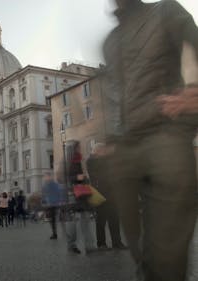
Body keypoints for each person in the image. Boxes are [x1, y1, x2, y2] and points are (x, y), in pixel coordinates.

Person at [103, 0, 198, 279]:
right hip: (125, 150)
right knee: (141, 251)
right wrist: (111, 140)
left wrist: (194, 91)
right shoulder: (111, 41)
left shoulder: (166, 10)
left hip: (164, 137)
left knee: (166, 255)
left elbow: (194, 44)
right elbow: (113, 95)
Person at [86, 143, 126, 250]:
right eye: (103, 150)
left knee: (114, 219)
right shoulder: (91, 160)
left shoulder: (104, 160)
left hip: (111, 193)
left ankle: (117, 243)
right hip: (100, 194)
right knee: (101, 220)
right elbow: (97, 173)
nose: (104, 152)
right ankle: (101, 244)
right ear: (97, 151)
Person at [41, 172, 62, 240]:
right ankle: (54, 233)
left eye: (46, 176)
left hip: (52, 204)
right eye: (45, 177)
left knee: (52, 220)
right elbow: (44, 195)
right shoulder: (48, 185)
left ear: (49, 177)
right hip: (50, 204)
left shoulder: (51, 184)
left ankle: (54, 233)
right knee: (52, 219)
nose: (45, 178)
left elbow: (57, 193)